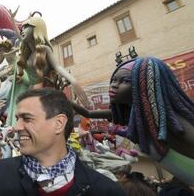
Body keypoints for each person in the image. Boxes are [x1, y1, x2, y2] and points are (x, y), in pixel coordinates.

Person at [73, 57, 194, 185]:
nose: (114, 85)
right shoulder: (135, 114)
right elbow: (88, 113)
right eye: (114, 80)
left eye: (125, 81)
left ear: (145, 84)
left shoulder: (172, 122)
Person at [0, 88, 125, 196]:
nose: (17, 127)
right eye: (17, 118)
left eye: (27, 118)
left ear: (58, 123)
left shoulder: (106, 190)